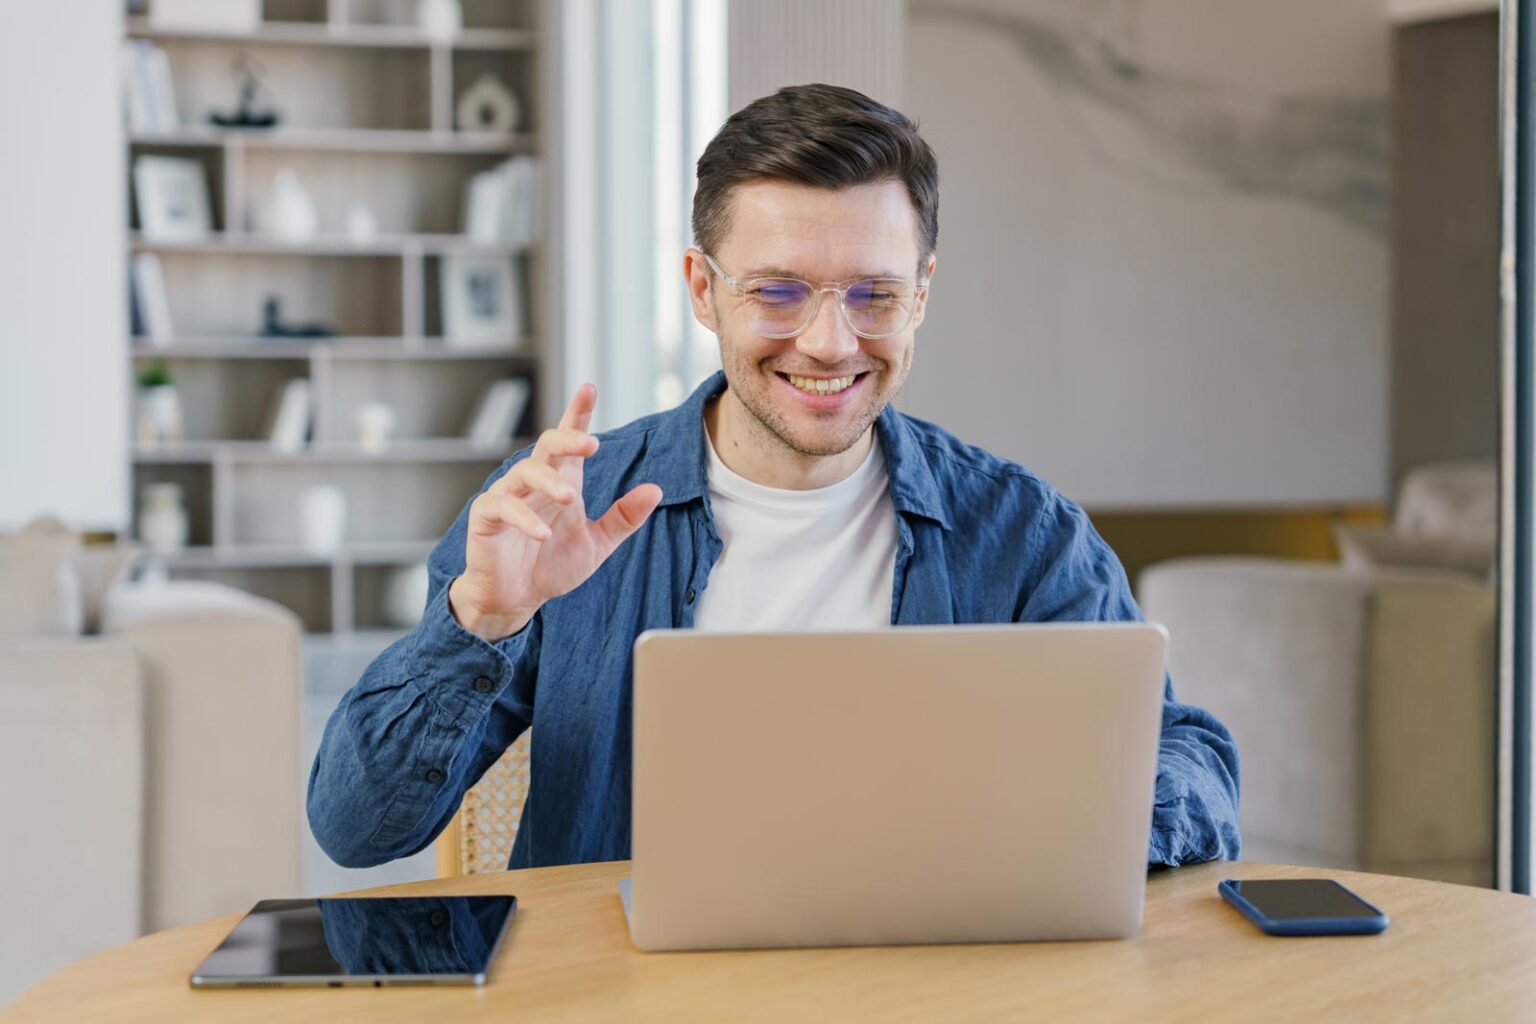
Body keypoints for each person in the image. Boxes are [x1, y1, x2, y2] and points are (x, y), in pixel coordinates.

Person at [308, 83, 1240, 872]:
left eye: (874, 294)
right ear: (704, 290)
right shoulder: (561, 509)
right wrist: (485, 620)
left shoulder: (1023, 531)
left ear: (922, 294)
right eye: (778, 291)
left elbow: (1190, 758)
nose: (830, 343)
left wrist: (1081, 831)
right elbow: (356, 829)